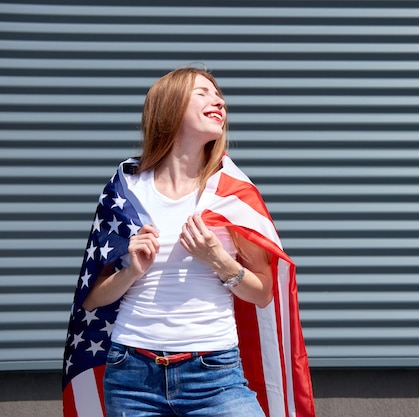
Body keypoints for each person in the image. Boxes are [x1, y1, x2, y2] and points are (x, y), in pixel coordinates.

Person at [62, 66, 315, 417]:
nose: (219, 100)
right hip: (131, 374)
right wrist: (132, 270)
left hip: (215, 375)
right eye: (204, 92)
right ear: (170, 106)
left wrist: (218, 260)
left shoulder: (234, 195)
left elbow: (262, 293)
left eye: (219, 95)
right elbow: (91, 299)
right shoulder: (126, 190)